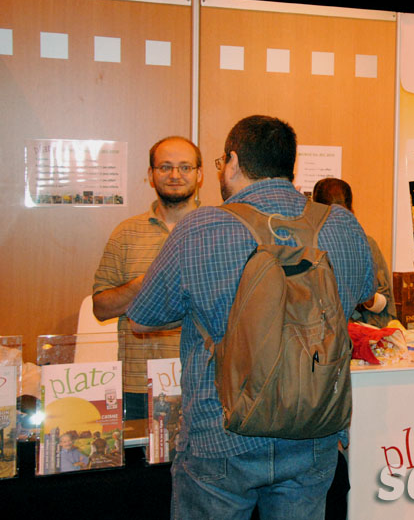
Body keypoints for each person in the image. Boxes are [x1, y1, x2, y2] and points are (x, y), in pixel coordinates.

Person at [128, 115, 375, 519]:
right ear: (290, 166)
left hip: (222, 433)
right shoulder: (343, 225)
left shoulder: (200, 227)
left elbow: (142, 319)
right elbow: (364, 294)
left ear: (233, 162)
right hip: (313, 429)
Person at [92, 136, 202, 420]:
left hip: (203, 382)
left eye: (185, 167)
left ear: (199, 175)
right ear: (151, 175)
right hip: (137, 386)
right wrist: (145, 283)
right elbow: (101, 308)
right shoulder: (125, 233)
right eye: (165, 167)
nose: (175, 175)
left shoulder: (217, 230)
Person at [312, 177, 397, 328]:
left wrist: (364, 296)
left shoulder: (366, 243)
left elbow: (384, 304)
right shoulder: (311, 244)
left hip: (360, 328)